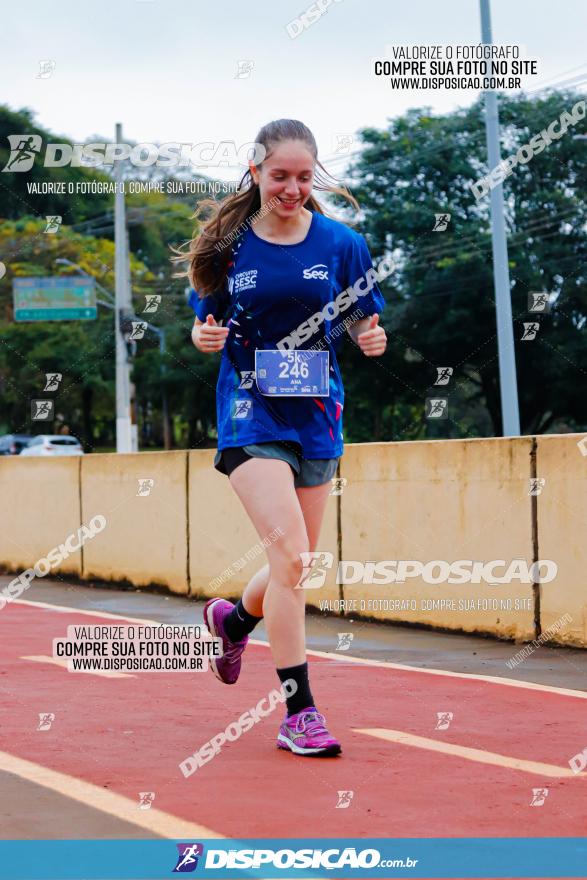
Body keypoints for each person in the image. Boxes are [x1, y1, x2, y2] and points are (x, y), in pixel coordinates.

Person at [175, 118, 387, 757]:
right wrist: (202, 337)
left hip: (318, 412)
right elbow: (204, 322)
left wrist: (371, 338)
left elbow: (362, 321)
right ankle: (300, 713)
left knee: (294, 565)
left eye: (302, 177)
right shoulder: (226, 245)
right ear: (256, 172)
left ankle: (235, 619)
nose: (291, 189)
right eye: (279, 176)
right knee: (292, 558)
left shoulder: (344, 244)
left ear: (312, 177)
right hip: (249, 410)